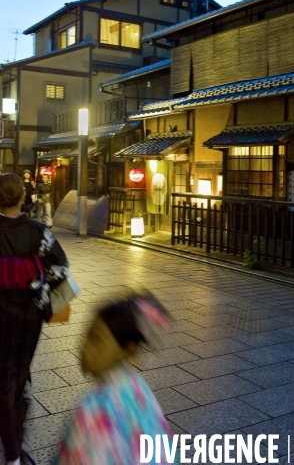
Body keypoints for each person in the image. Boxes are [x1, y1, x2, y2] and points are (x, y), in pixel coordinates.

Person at [55, 292, 176, 465]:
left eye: (96, 339)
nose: (84, 347)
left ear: (128, 350)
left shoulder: (93, 409)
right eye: (86, 336)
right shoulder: (139, 390)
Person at [0, 173, 69, 465]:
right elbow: (60, 270)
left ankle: (13, 446)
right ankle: (15, 445)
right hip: (30, 313)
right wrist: (46, 297)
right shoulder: (39, 232)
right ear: (23, 198)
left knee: (5, 374)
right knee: (19, 368)